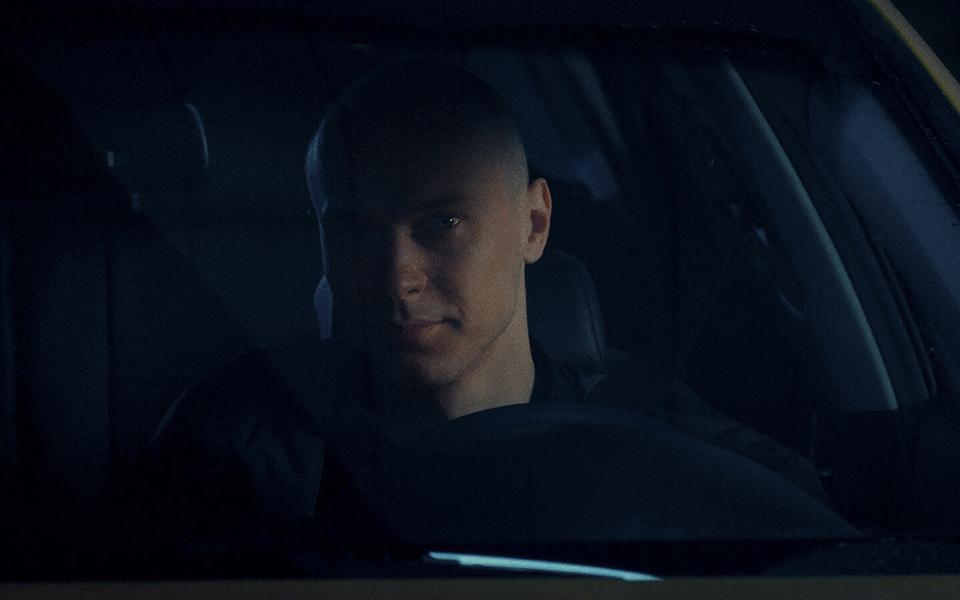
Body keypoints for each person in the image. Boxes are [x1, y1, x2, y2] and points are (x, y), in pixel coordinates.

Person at [129, 60, 830, 532]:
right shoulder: (235, 447)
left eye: (442, 224)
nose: (395, 277)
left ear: (534, 224)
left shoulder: (664, 443)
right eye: (353, 233)